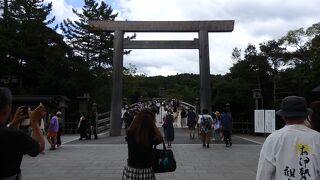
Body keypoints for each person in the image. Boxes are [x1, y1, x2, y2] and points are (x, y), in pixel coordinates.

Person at [256, 96, 320, 180]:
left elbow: (263, 173)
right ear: (306, 116)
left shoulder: (273, 138)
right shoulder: (317, 138)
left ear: (283, 117)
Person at [0, 87, 45, 179]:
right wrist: (34, 121)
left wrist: (13, 123)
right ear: (7, 108)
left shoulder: (12, 134)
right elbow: (39, 146)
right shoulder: (16, 136)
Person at [122, 108, 163, 180]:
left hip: (131, 169)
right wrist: (153, 125)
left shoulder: (130, 133)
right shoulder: (151, 135)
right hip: (146, 170)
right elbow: (160, 139)